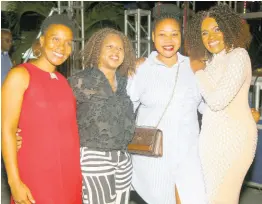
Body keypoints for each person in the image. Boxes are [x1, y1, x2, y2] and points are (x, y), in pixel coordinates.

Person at [1, 14, 82, 204]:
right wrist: (14, 183)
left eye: (68, 43)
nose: (61, 48)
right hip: (36, 174)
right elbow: (6, 130)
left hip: (68, 175)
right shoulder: (20, 75)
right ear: (42, 40)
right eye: (55, 39)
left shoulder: (63, 82)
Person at [127, 13, 206, 204]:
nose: (168, 40)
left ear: (182, 36)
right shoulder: (142, 69)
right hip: (154, 157)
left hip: (189, 154)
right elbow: (126, 108)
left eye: (174, 34)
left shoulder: (194, 67)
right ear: (153, 37)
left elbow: (209, 107)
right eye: (162, 34)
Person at [186, 4, 258, 203]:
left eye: (217, 29)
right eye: (205, 32)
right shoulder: (210, 62)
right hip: (210, 140)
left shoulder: (239, 56)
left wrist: (197, 70)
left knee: (224, 198)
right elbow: (204, 104)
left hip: (235, 140)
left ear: (229, 28)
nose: (211, 37)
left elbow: (218, 101)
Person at [68, 28, 136, 204]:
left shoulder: (123, 82)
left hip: (123, 158)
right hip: (95, 156)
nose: (116, 52)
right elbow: (55, 109)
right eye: (110, 46)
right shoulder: (82, 80)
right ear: (97, 50)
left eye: (120, 48)